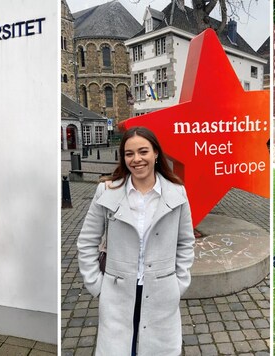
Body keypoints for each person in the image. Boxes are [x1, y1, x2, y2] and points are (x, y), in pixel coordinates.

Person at [77, 126, 195, 355]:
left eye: (143, 151)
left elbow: (186, 242)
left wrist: (179, 284)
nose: (137, 159)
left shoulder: (177, 193)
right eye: (129, 154)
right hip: (116, 293)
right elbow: (87, 241)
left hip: (161, 291)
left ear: (156, 153)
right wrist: (97, 285)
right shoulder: (107, 191)